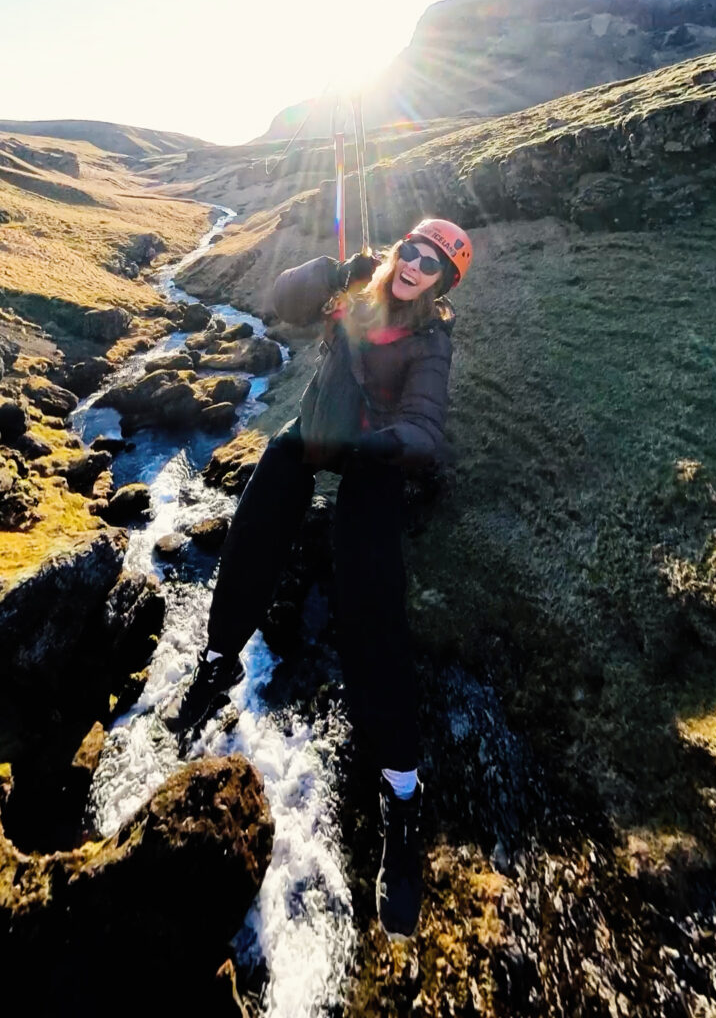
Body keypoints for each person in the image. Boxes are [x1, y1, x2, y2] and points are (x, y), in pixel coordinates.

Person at [168, 216, 473, 938]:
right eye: (413, 250)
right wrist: (330, 272)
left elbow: (426, 426)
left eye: (433, 264)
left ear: (443, 284)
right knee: (257, 519)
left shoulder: (431, 340)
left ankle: (402, 791)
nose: (415, 265)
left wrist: (380, 448)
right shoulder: (356, 284)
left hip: (372, 454)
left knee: (371, 594)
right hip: (316, 431)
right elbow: (282, 303)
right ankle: (218, 662)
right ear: (401, 249)